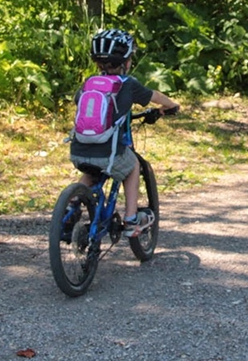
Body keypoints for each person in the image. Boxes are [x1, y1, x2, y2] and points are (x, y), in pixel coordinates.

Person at [70, 29, 180, 238]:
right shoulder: (128, 84)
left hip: (78, 151)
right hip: (109, 152)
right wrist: (172, 105)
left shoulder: (89, 83)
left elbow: (79, 102)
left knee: (92, 171)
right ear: (126, 61)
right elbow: (154, 96)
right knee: (132, 167)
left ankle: (71, 206)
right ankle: (131, 220)